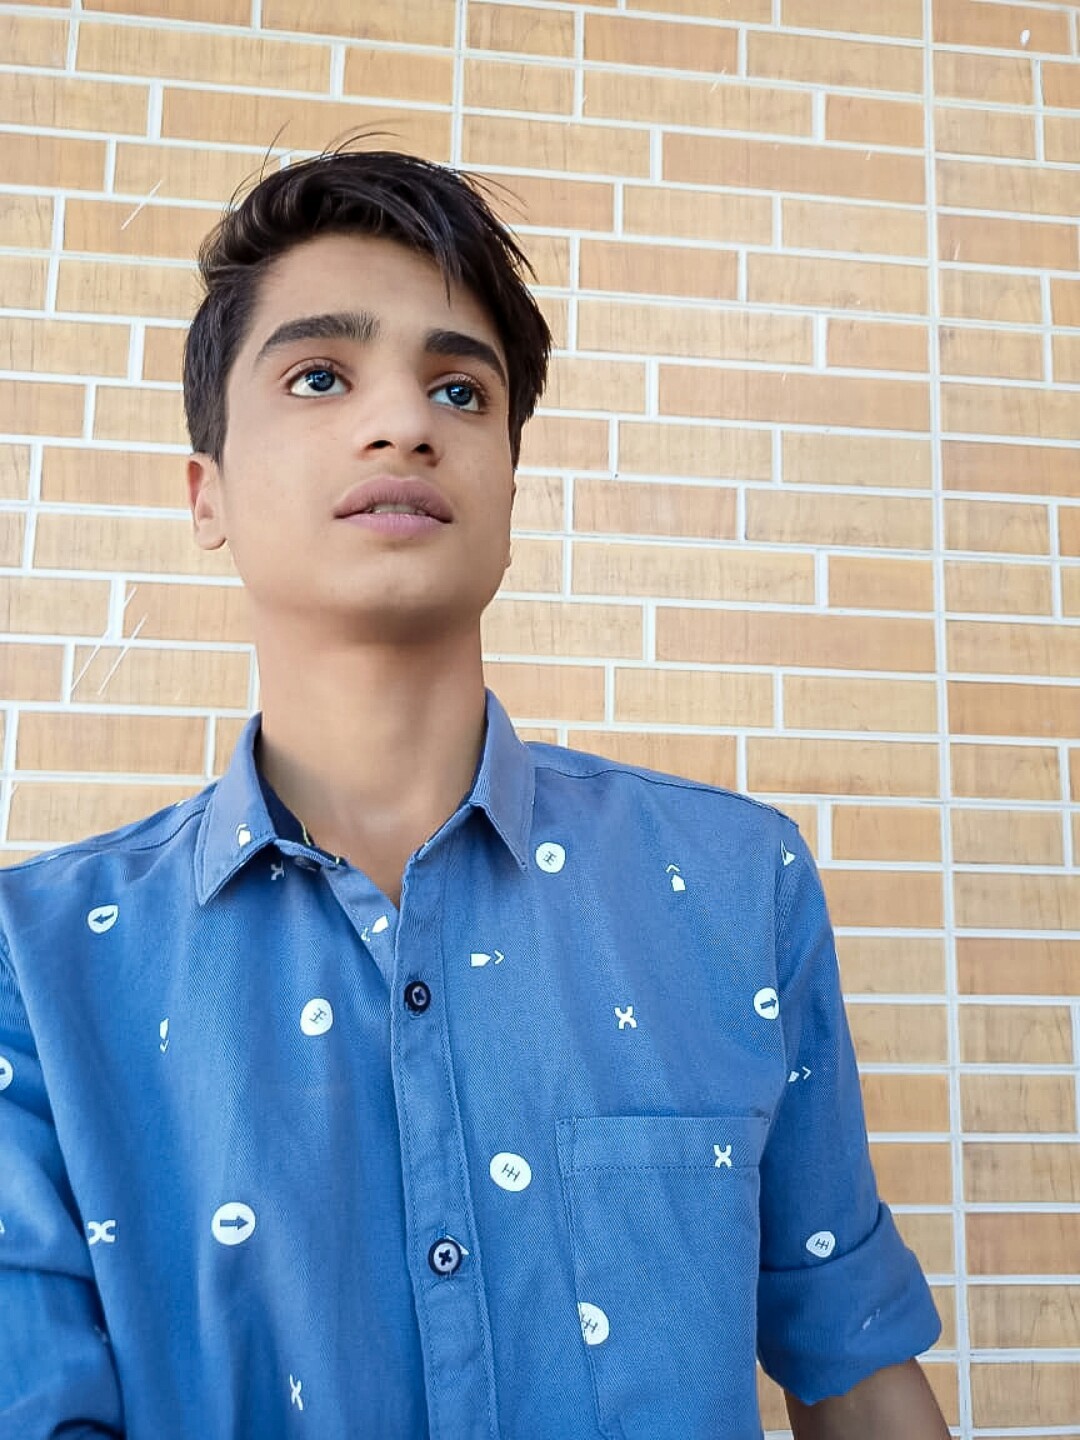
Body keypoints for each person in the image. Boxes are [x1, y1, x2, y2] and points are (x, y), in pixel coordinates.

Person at [0, 145, 950, 1440]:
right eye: (320, 376)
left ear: (509, 484)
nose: (404, 423)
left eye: (459, 388)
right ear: (204, 490)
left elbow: (852, 1357)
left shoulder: (737, 884)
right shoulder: (36, 965)